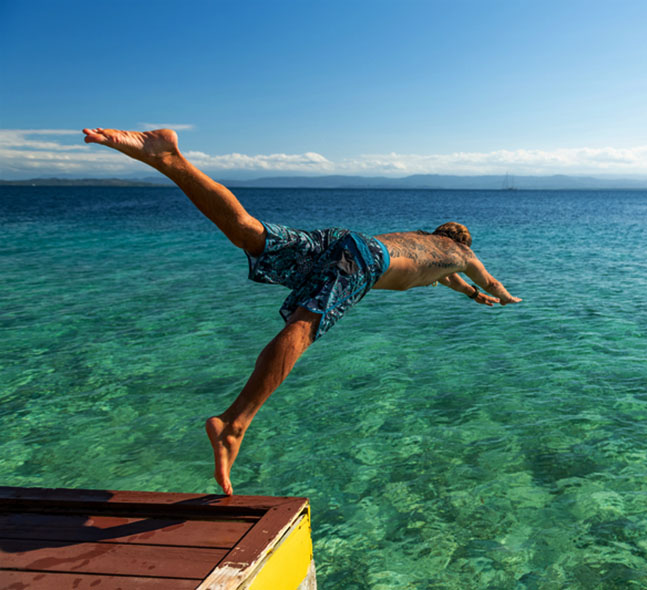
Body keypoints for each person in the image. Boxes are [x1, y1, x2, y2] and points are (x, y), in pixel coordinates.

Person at [82, 128, 522, 494]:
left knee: (251, 233)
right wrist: (503, 297)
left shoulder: (427, 247)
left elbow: (451, 281)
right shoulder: (461, 255)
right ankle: (234, 424)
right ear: (464, 244)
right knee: (305, 324)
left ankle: (169, 157)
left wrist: (472, 297)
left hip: (350, 241)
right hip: (364, 263)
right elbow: (487, 280)